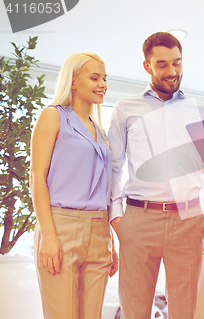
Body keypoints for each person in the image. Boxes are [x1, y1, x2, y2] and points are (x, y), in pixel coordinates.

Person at [107, 32, 204, 319]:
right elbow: (113, 166)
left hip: (189, 221)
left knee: (184, 311)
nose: (172, 72)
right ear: (147, 66)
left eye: (177, 63)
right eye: (162, 64)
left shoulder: (201, 110)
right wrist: (116, 217)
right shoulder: (125, 108)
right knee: (135, 310)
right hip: (138, 219)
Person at [30, 52, 116, 319]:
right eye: (94, 77)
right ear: (73, 80)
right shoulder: (53, 116)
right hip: (61, 226)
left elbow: (105, 188)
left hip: (99, 229)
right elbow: (37, 178)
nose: (102, 84)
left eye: (104, 78)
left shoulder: (100, 131)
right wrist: (49, 235)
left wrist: (110, 240)